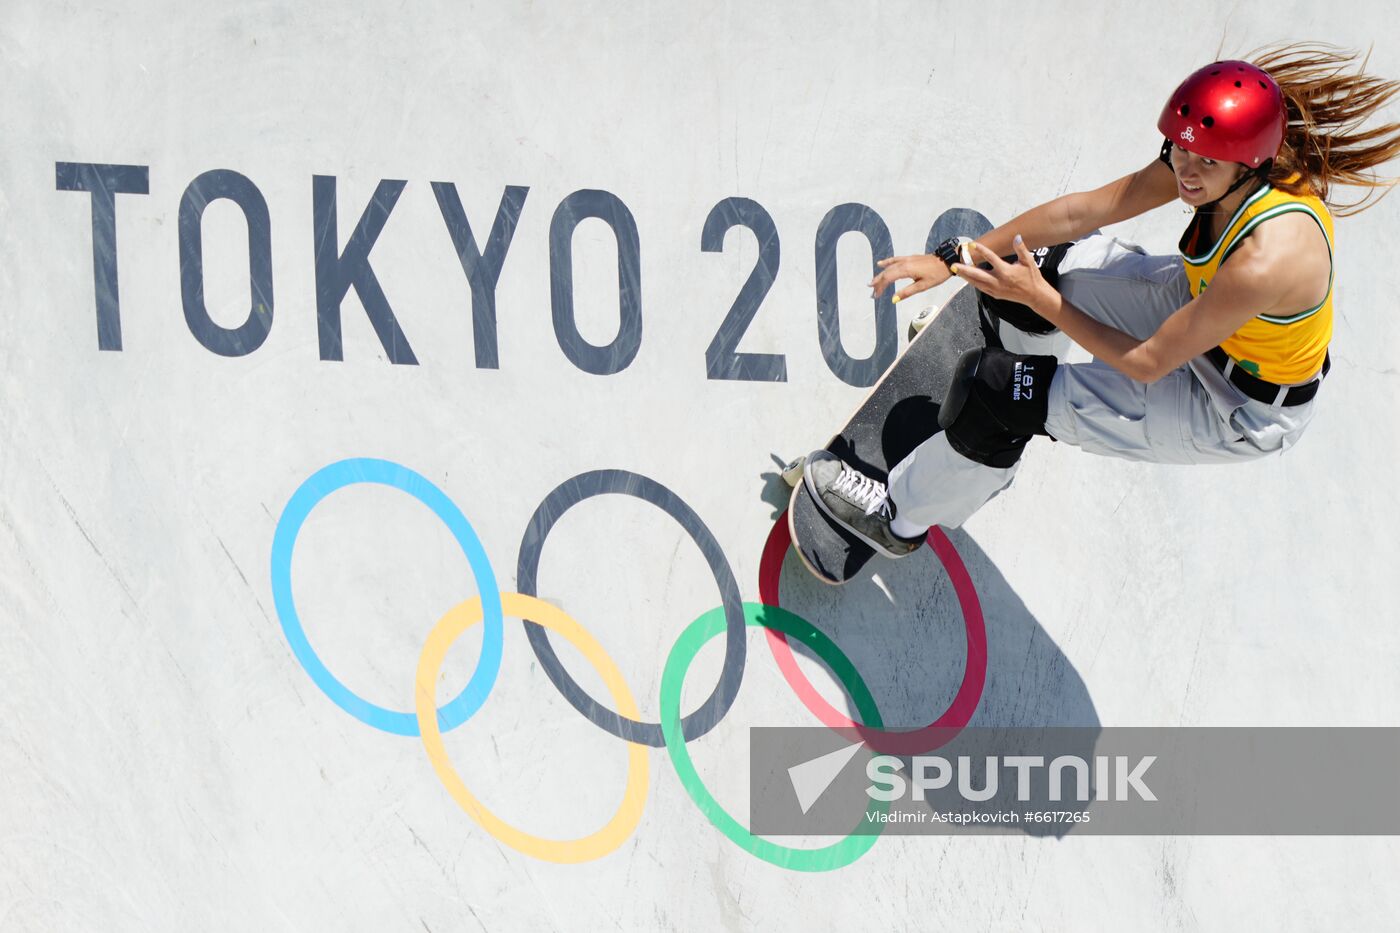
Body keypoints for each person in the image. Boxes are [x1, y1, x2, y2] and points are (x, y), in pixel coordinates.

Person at [803, 45, 1400, 558]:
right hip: (1208, 315)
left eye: (1202, 164)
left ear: (1251, 163)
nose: (1185, 174)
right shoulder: (1216, 159)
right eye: (1178, 151)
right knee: (1037, 262)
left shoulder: (1266, 258)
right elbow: (1080, 212)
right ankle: (1002, 406)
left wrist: (1038, 299)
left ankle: (897, 519)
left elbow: (1146, 363)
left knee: (993, 394)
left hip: (1232, 405)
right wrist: (956, 259)